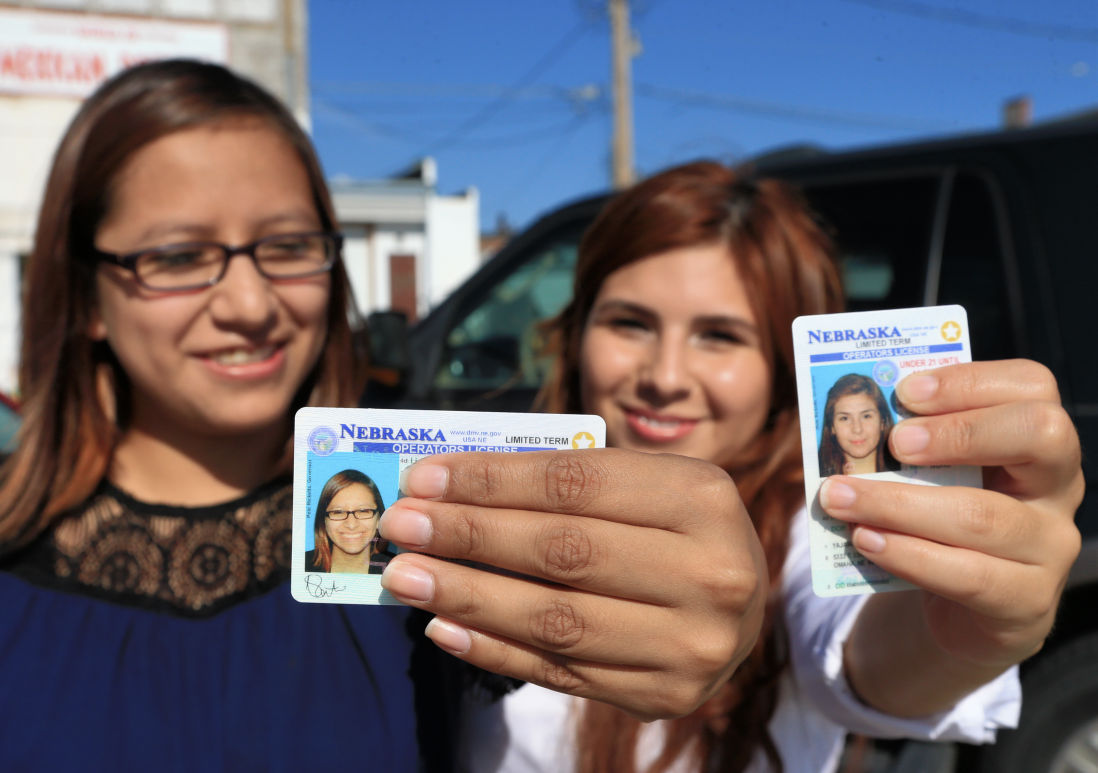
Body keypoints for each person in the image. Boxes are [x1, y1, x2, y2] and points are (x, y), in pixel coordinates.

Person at [0, 61, 768, 770]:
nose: (248, 303)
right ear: (85, 295)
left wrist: (708, 610)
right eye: (176, 256)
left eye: (289, 245)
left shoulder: (432, 516)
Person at [457, 161, 1084, 773]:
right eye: (630, 323)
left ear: (782, 371)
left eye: (720, 336)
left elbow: (867, 658)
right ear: (575, 335)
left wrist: (966, 630)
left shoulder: (815, 522)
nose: (665, 378)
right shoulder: (493, 495)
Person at [306, 468, 395, 573]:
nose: (351, 525)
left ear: (379, 519)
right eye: (338, 512)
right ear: (323, 522)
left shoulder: (397, 569)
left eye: (363, 511)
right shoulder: (300, 567)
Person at [818, 373, 900, 476]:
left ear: (882, 422)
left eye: (866, 416)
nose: (857, 429)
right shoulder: (810, 478)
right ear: (832, 427)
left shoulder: (911, 473)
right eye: (844, 418)